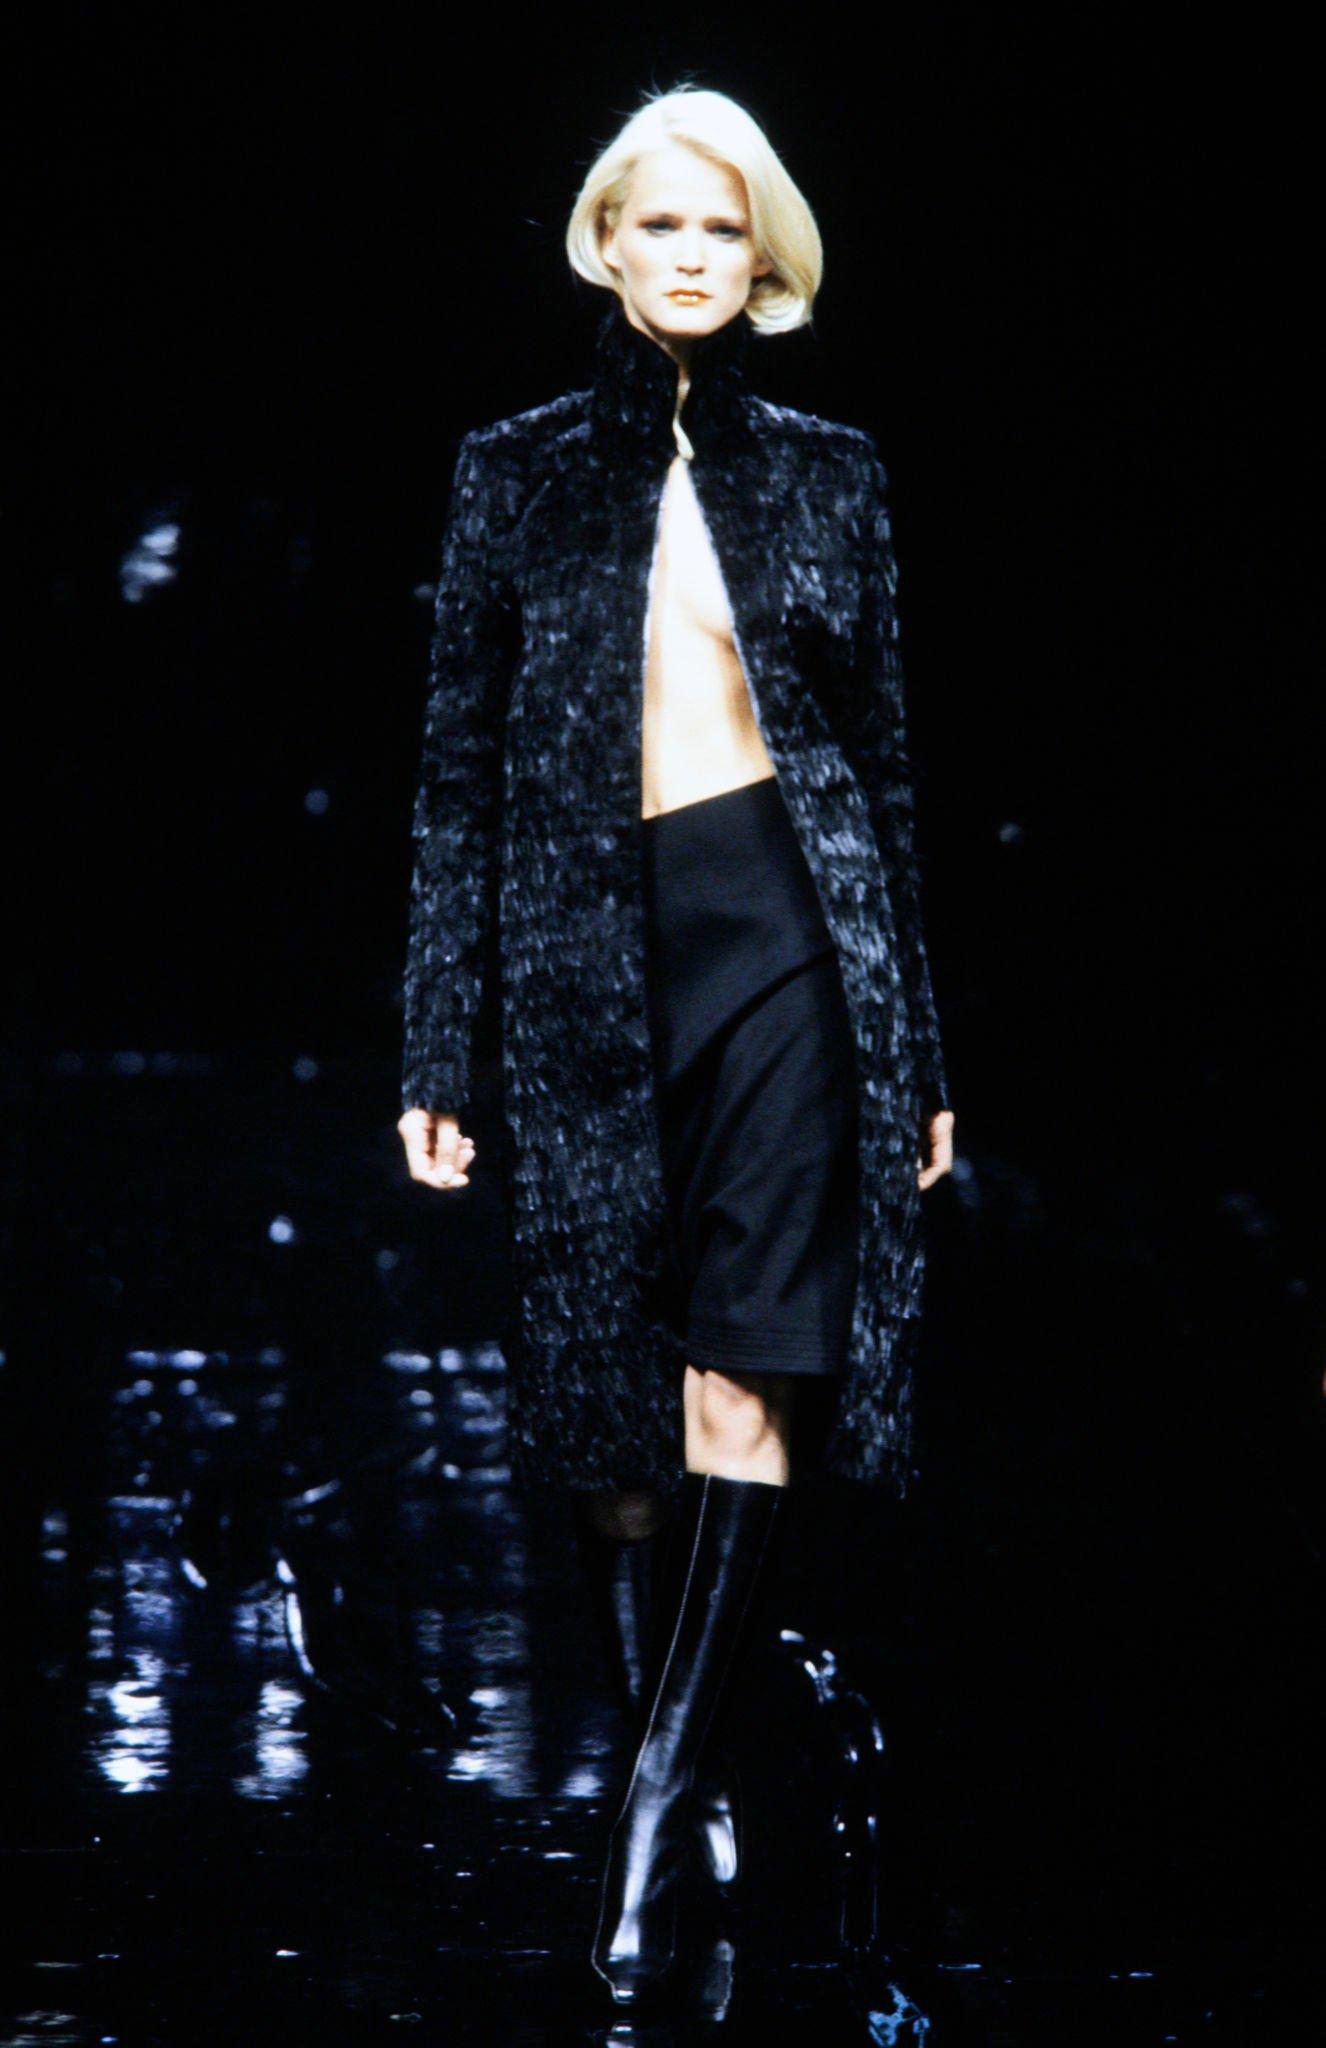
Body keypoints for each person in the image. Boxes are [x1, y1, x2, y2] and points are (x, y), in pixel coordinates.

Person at [397, 85, 955, 2006]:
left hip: (790, 939)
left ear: (763, 252)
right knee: (609, 1422)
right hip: (581, 957)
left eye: (726, 227)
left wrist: (919, 1049)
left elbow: (884, 770)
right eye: (662, 224)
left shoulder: (832, 475)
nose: (694, 255)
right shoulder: (515, 473)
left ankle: (644, 1818)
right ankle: (686, 1757)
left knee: (745, 1366)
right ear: (606, 243)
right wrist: (438, 1046)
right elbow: (455, 779)